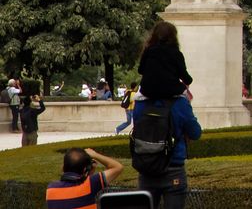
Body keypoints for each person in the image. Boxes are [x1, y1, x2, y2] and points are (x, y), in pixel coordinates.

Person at [131, 76, 204, 209]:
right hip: (173, 168)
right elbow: (195, 133)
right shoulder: (180, 103)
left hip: (146, 167)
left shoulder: (140, 103)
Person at [45, 147, 125, 209]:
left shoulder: (51, 189)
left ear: (63, 167)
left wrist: (88, 174)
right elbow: (118, 167)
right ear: (84, 170)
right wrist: (95, 154)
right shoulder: (91, 184)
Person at [139, 21, 195, 102]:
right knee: (187, 107)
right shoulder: (176, 53)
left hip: (148, 92)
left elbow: (140, 70)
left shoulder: (148, 51)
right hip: (171, 92)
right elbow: (186, 78)